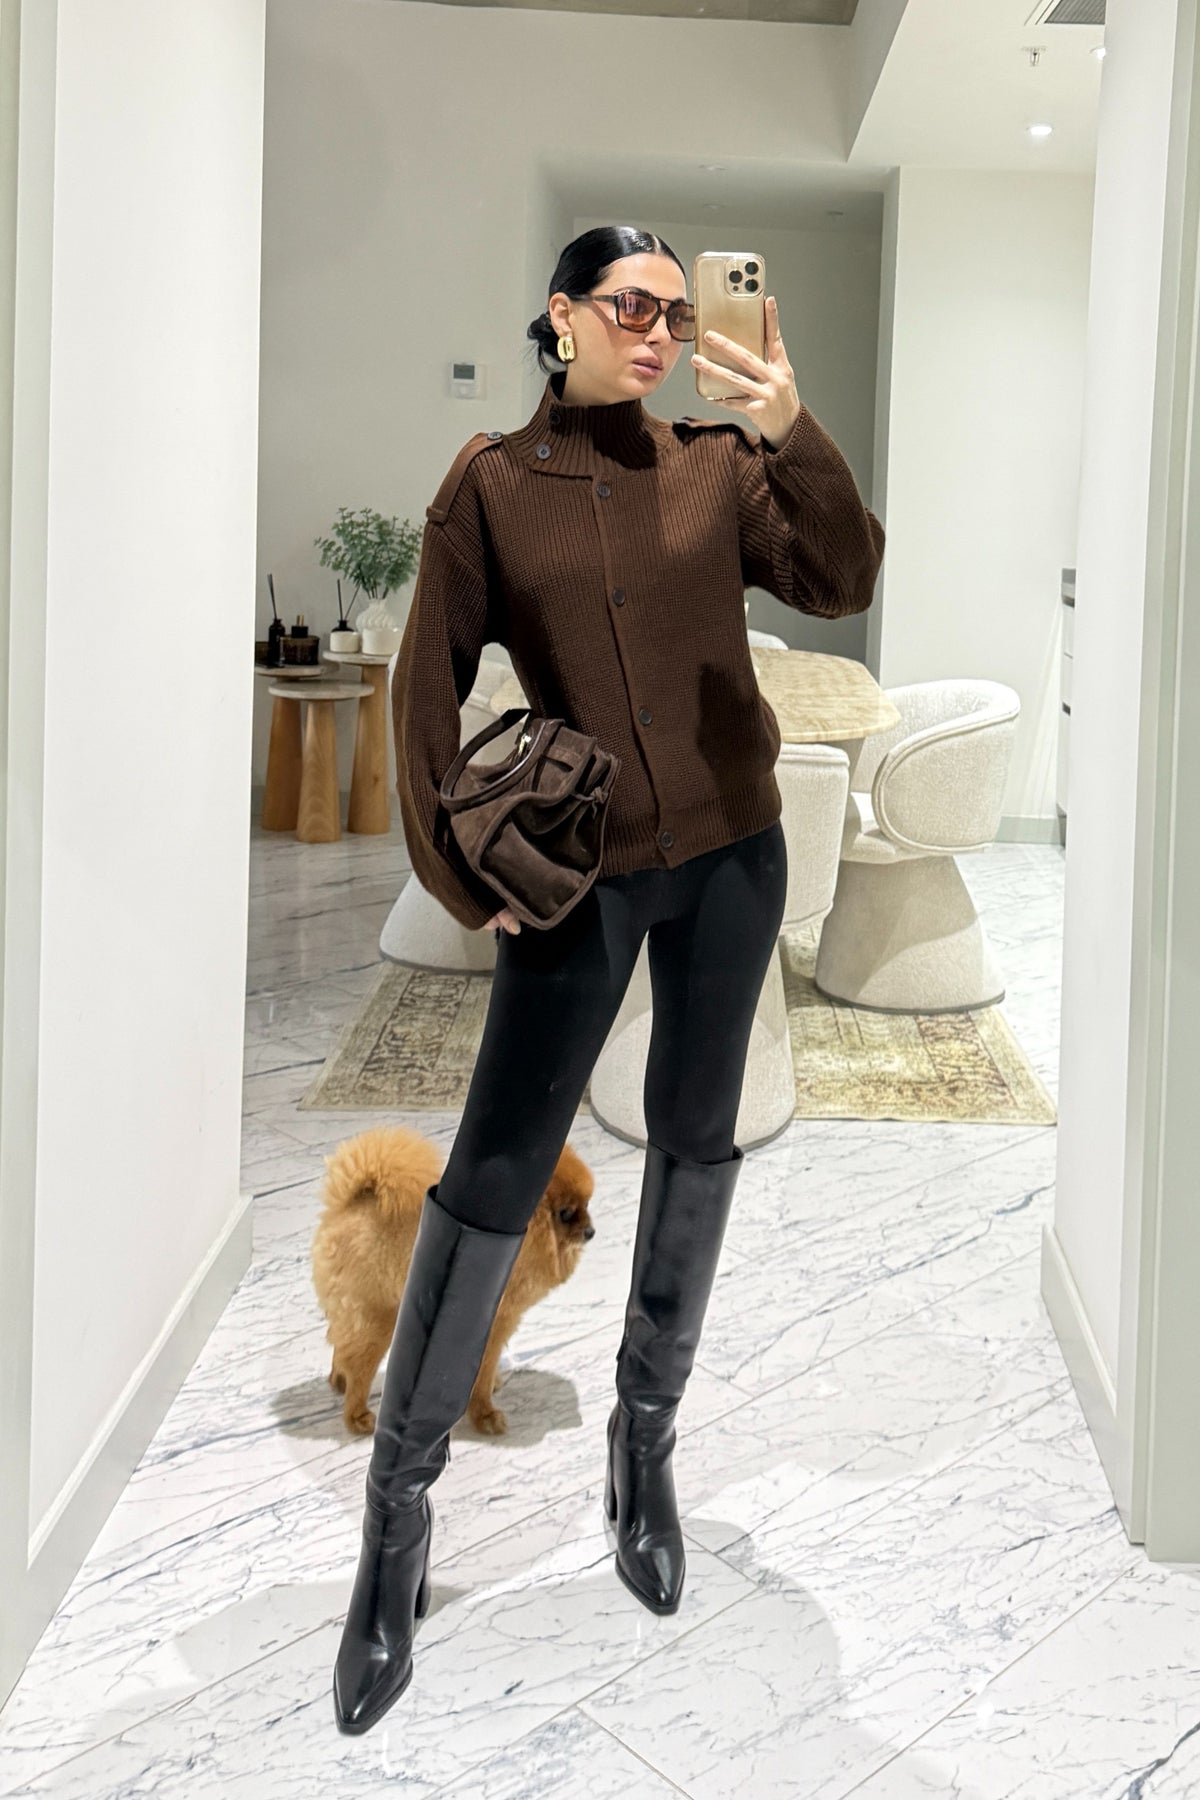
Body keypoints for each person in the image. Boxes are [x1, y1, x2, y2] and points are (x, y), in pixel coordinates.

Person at [332, 225, 886, 1734]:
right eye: (631, 306)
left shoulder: (718, 466)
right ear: (563, 316)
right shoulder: (490, 485)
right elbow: (425, 690)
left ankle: (644, 1452)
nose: (658, 331)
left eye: (676, 313)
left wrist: (790, 424)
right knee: (494, 1174)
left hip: (733, 860)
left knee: (699, 1145)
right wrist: (468, 888)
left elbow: (842, 575)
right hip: (579, 880)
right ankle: (398, 1517)